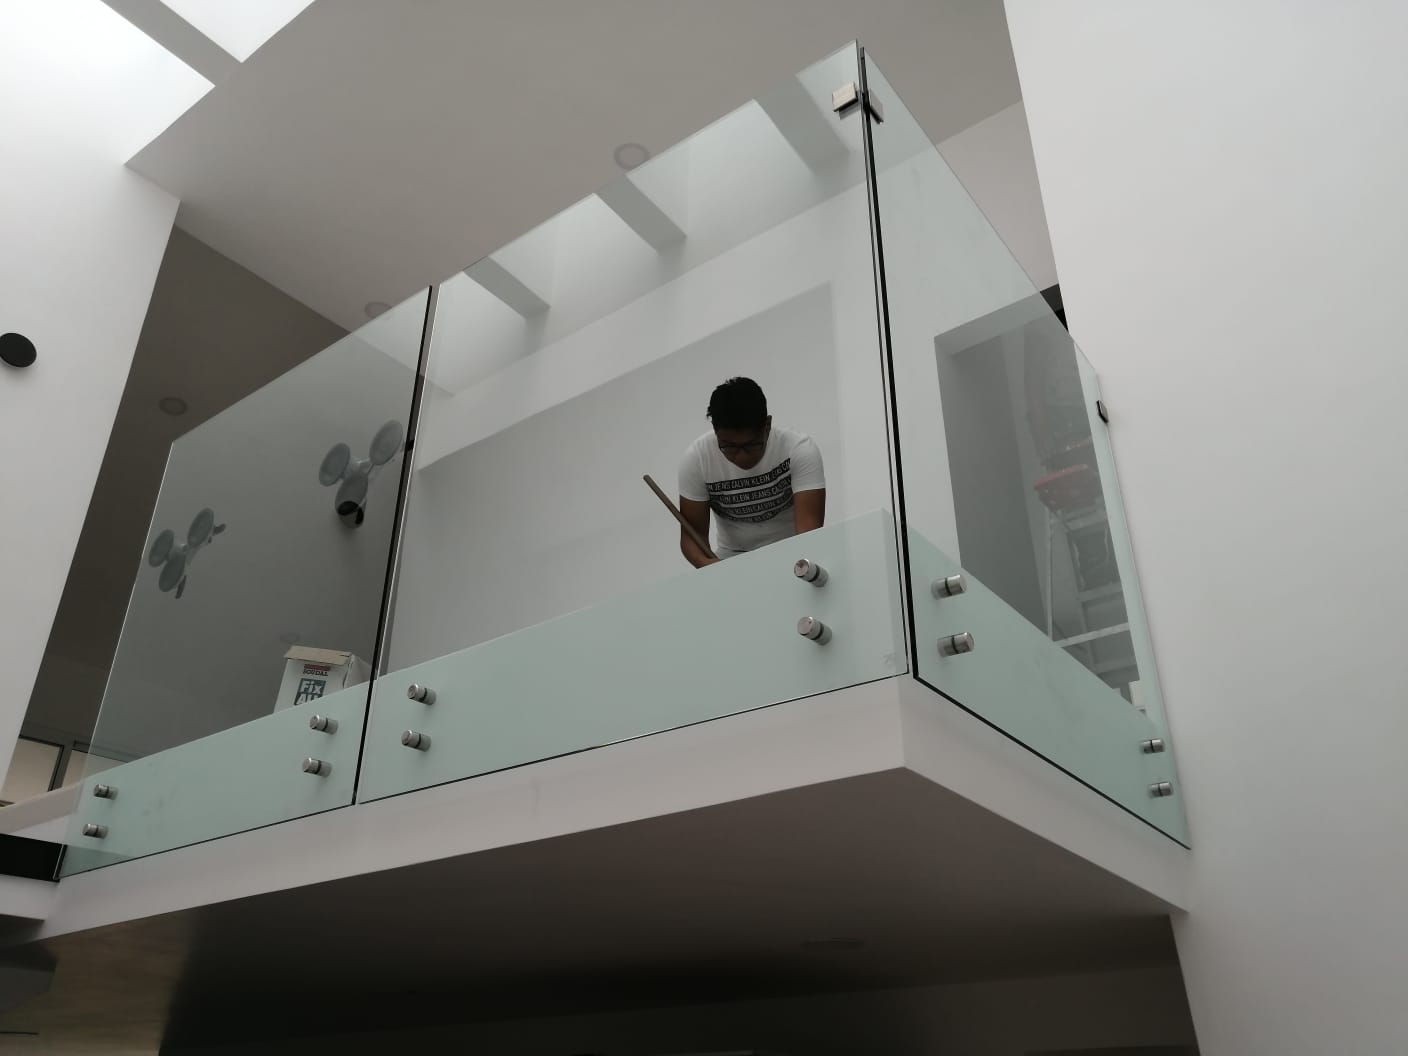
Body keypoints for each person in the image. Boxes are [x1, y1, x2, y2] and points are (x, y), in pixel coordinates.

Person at [676, 377, 825, 567]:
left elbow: (809, 534)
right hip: (733, 560)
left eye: (751, 445)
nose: (741, 457)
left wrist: (799, 566)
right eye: (729, 447)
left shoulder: (799, 450)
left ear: (767, 426)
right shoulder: (697, 459)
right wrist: (711, 568)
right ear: (715, 431)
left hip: (792, 552)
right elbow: (693, 536)